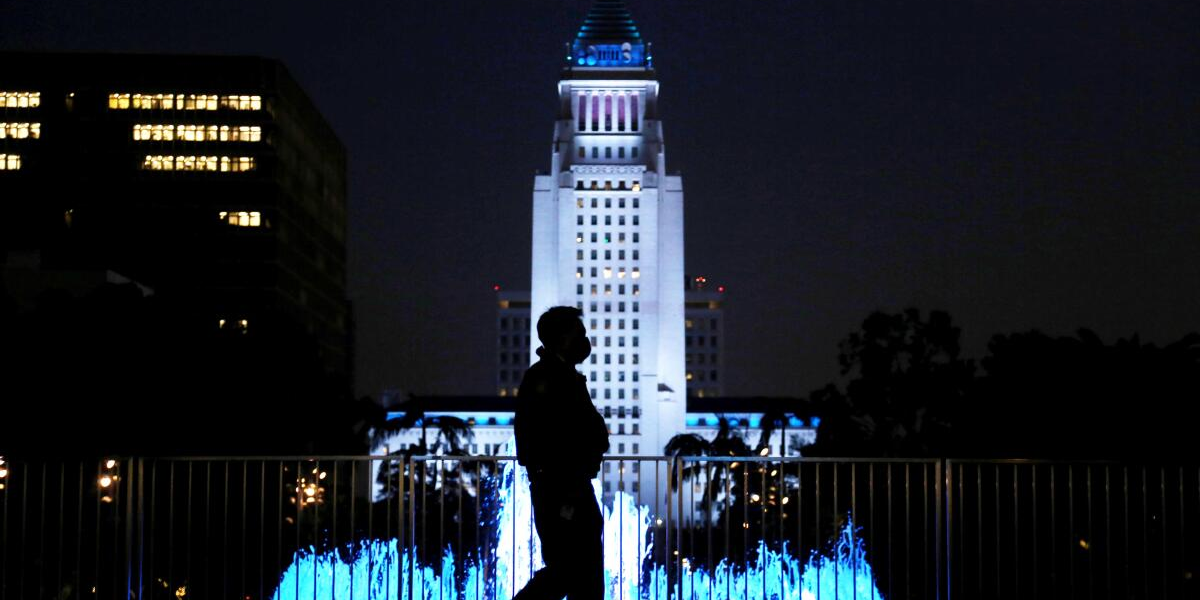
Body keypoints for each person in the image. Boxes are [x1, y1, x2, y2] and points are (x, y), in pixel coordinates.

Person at [513, 306, 609, 600]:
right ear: (562, 338)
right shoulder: (547, 378)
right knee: (569, 568)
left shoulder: (561, 375)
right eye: (579, 334)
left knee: (581, 570)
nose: (585, 341)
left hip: (569, 485)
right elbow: (544, 436)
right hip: (562, 488)